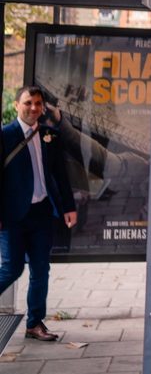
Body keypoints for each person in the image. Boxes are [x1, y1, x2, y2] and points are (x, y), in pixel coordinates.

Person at [0, 86, 77, 341]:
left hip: (42, 212)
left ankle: (35, 323)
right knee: (12, 269)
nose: (34, 108)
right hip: (12, 216)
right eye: (28, 102)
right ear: (16, 104)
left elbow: (60, 175)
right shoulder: (5, 136)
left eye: (38, 103)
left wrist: (68, 207)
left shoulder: (49, 135)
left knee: (41, 269)